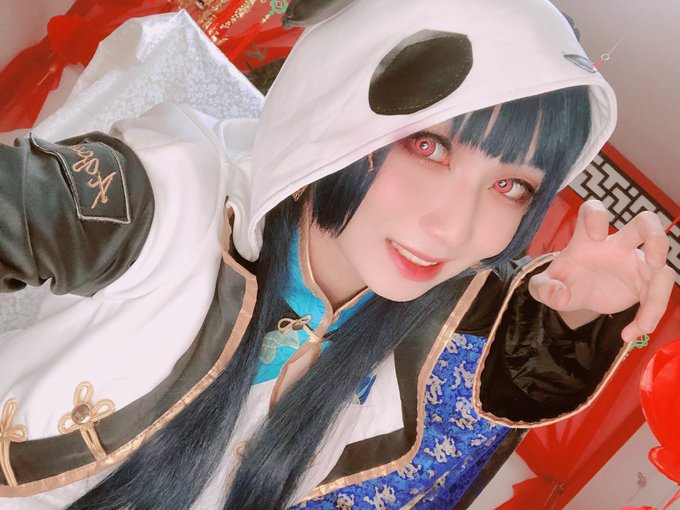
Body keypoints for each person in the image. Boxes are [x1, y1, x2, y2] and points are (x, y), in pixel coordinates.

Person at [0, 0, 674, 508]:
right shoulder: (171, 194)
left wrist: (578, 314)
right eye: (430, 146)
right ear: (343, 108)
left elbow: (514, 363)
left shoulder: (432, 312)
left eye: (511, 187)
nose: (453, 228)